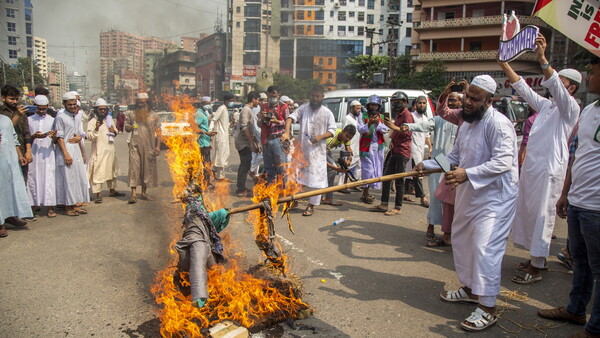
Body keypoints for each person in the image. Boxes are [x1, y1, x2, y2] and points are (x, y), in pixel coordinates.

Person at [415, 75, 518, 332]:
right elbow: (453, 157)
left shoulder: (500, 124)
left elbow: (503, 162)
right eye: (467, 96)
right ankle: (472, 290)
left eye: (474, 99)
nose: (467, 103)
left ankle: (488, 308)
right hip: (470, 193)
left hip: (495, 199)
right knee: (462, 240)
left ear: (489, 100)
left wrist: (466, 173)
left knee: (485, 248)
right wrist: (426, 164)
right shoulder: (467, 124)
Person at [498, 33, 580, 285]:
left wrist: (542, 59)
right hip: (533, 169)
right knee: (530, 212)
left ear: (571, 88)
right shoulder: (547, 106)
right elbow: (522, 87)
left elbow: (553, 83)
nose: (554, 85)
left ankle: (537, 264)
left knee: (544, 215)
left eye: (561, 83)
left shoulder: (570, 108)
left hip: (549, 170)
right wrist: (504, 64)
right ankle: (537, 259)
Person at [537, 56, 600, 338]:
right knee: (581, 262)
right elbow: (577, 155)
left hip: (597, 207)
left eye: (593, 72)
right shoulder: (589, 111)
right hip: (577, 201)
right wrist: (565, 193)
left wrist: (542, 60)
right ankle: (575, 309)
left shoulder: (574, 106)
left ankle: (595, 328)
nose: (589, 77)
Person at [406, 91, 460, 246]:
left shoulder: (464, 121)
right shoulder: (439, 119)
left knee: (451, 202)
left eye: (454, 101)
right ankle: (431, 226)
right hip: (439, 161)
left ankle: (447, 233)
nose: (450, 103)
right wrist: (404, 126)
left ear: (460, 103)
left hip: (456, 165)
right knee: (436, 196)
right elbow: (421, 126)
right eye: (448, 100)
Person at [281, 85, 336, 217]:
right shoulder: (303, 108)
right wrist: (287, 133)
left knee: (316, 180)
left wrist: (319, 137)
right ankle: (294, 201)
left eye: (318, 96)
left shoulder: (327, 113)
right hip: (302, 151)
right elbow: (290, 119)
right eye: (313, 96)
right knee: (294, 177)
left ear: (322, 97)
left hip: (318, 153)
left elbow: (332, 131)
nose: (315, 99)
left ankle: (311, 206)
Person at [370, 91, 413, 215]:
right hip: (395, 149)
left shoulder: (407, 115)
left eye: (398, 102)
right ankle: (384, 204)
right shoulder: (399, 115)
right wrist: (392, 138)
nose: (395, 104)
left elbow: (408, 132)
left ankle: (398, 207)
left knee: (399, 179)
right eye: (393, 102)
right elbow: (397, 131)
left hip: (402, 151)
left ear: (405, 102)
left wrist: (392, 127)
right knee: (386, 177)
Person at [54, 92, 90, 216]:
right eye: (70, 104)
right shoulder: (60, 117)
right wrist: (66, 154)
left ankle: (75, 204)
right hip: (66, 149)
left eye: (74, 104)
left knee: (77, 178)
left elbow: (77, 133)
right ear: (64, 104)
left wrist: (79, 138)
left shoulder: (76, 116)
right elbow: (59, 137)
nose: (73, 106)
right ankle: (68, 206)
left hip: (76, 149)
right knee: (68, 178)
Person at [0, 113, 33, 237]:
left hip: (9, 161)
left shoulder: (5, 120)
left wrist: (19, 155)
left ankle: (9, 216)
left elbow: (14, 139)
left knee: (9, 190)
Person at [86, 98, 125, 204]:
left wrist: (114, 131)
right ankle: (98, 194)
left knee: (112, 171)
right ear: (96, 110)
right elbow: (90, 137)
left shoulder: (109, 120)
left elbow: (115, 132)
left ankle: (112, 190)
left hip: (110, 150)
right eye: (100, 109)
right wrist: (96, 129)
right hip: (99, 151)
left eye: (104, 109)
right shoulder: (92, 122)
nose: (102, 111)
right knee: (98, 172)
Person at [125, 93, 161, 204]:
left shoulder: (154, 115)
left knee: (147, 169)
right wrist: (130, 127)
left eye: (143, 102)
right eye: (139, 102)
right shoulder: (131, 114)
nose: (141, 105)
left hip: (149, 146)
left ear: (147, 103)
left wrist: (158, 146)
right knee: (134, 169)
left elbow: (159, 132)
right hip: (135, 145)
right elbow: (126, 128)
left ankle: (144, 193)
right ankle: (133, 194)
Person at [27, 95, 57, 218]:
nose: (41, 111)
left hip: (48, 153)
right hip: (33, 153)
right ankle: (33, 205)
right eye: (39, 109)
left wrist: (52, 136)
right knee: (33, 178)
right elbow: (26, 137)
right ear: (35, 107)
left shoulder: (52, 120)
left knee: (49, 178)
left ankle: (50, 206)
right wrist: (34, 136)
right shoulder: (29, 120)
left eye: (43, 109)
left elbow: (56, 139)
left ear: (47, 107)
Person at [357, 94, 389, 204]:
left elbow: (385, 130)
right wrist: (369, 123)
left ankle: (369, 192)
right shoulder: (362, 116)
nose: (373, 107)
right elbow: (360, 129)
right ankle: (365, 192)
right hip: (366, 147)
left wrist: (378, 123)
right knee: (368, 170)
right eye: (372, 105)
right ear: (368, 105)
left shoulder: (382, 117)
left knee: (377, 169)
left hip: (378, 147)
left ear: (378, 106)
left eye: (376, 105)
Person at [1, 85, 33, 180]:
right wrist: (17, 115)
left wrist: (28, 151)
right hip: (6, 152)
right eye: (11, 99)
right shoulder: (1, 113)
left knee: (22, 181)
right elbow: (6, 129)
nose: (14, 102)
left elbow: (26, 133)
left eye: (16, 99)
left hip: (22, 152)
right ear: (3, 98)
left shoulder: (21, 112)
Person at [258, 86, 289, 183]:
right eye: (270, 95)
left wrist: (277, 121)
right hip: (266, 139)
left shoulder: (284, 106)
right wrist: (263, 119)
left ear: (278, 94)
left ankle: (283, 192)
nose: (272, 97)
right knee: (269, 168)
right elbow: (259, 123)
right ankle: (270, 191)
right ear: (267, 94)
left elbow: (288, 121)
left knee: (281, 168)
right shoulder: (264, 106)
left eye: (274, 95)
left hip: (278, 139)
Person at [234, 91, 261, 196]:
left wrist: (256, 142)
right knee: (244, 165)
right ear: (253, 99)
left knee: (246, 164)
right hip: (243, 142)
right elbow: (244, 127)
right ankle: (240, 189)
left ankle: (242, 187)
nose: (258, 102)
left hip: (246, 141)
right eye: (258, 99)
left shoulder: (249, 110)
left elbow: (251, 129)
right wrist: (251, 143)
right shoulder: (246, 110)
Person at [406, 96, 431, 208]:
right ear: (415, 104)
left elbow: (427, 135)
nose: (422, 105)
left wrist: (430, 147)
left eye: (424, 103)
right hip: (412, 148)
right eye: (420, 103)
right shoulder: (411, 117)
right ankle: (422, 197)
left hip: (420, 148)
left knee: (410, 171)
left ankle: (405, 193)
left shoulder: (426, 119)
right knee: (418, 173)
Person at [322, 124, 356, 206]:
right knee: (332, 170)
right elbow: (321, 158)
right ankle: (328, 198)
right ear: (342, 131)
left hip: (326, 150)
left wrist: (349, 160)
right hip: (319, 150)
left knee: (328, 172)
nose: (347, 139)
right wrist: (335, 168)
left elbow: (349, 151)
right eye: (346, 136)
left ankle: (326, 197)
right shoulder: (331, 137)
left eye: (350, 138)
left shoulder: (347, 137)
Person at [195, 96, 217, 187]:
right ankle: (205, 183)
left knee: (207, 163)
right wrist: (206, 133)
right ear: (202, 104)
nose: (209, 105)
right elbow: (194, 127)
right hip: (202, 143)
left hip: (206, 142)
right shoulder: (199, 114)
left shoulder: (204, 113)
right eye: (207, 103)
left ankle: (206, 181)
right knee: (206, 163)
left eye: (209, 103)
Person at [211, 92, 232, 181]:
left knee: (223, 155)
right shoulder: (221, 108)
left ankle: (219, 175)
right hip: (220, 136)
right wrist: (210, 131)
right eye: (231, 101)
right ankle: (220, 176)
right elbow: (214, 119)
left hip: (224, 136)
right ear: (227, 100)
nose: (232, 102)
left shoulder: (225, 109)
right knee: (220, 156)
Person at [342, 100, 363, 188]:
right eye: (357, 108)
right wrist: (348, 147)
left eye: (360, 108)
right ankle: (342, 185)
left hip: (357, 145)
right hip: (349, 145)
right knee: (346, 165)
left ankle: (355, 184)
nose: (359, 110)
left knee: (358, 165)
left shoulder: (357, 119)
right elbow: (344, 133)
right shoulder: (348, 118)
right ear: (351, 108)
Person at [249, 92, 266, 180]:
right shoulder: (257, 108)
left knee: (257, 154)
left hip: (258, 133)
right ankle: (252, 170)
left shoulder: (259, 108)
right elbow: (255, 123)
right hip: (258, 133)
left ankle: (255, 172)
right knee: (261, 153)